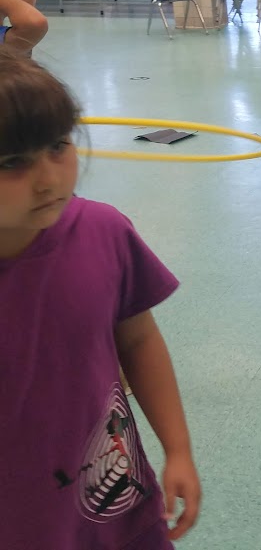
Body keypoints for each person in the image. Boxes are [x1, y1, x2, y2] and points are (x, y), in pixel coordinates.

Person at [0, 52, 201, 547]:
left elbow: (138, 339)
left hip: (108, 495)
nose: (48, 178)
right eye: (11, 162)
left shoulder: (102, 231)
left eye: (57, 146)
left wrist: (177, 449)